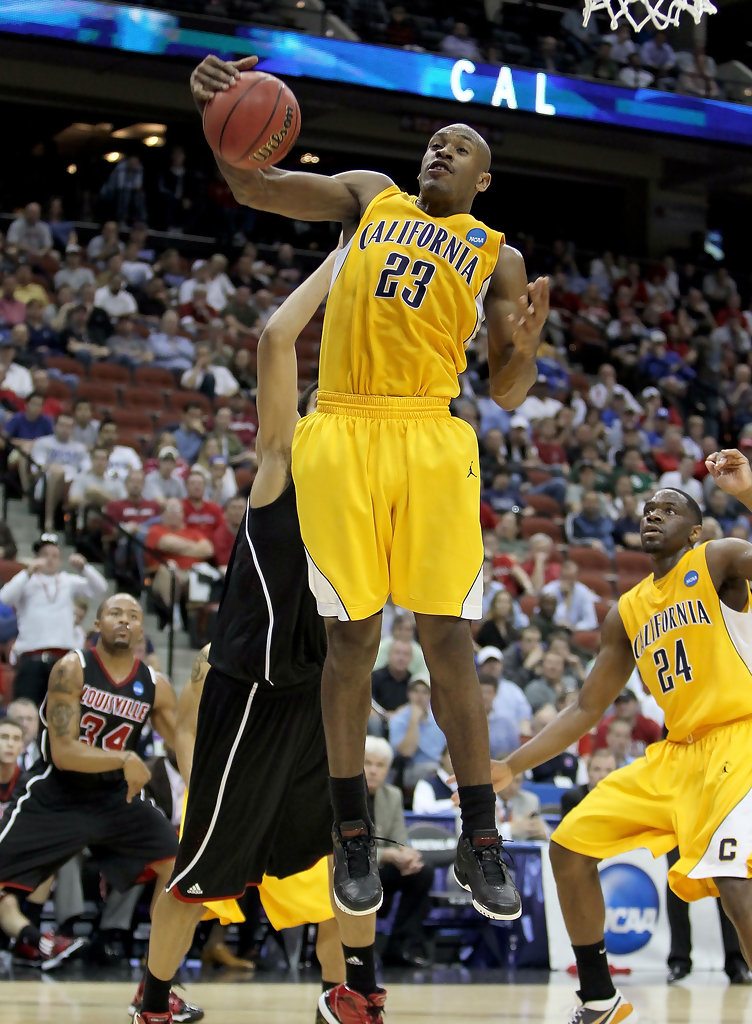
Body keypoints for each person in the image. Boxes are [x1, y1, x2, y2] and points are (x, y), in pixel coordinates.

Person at [190, 52, 548, 925]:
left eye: (459, 145)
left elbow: (503, 391)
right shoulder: (369, 195)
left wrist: (527, 349)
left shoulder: (498, 259)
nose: (440, 149)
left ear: (484, 178)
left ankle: (480, 835)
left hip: (431, 432)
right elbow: (255, 188)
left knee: (449, 639)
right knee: (351, 641)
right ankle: (351, 831)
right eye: (435, 139)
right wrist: (217, 124)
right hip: (343, 425)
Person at [137, 251, 384, 1024]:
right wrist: (345, 256)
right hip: (250, 687)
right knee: (204, 862)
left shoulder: (372, 498)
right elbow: (277, 340)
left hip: (320, 694)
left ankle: (359, 993)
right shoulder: (283, 467)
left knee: (349, 853)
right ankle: (152, 1001)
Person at [482, 462, 752, 1024]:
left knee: (733, 879)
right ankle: (600, 999)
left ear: (696, 529)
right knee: (570, 846)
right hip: (676, 756)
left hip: (738, 740)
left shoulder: (719, 559)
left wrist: (746, 492)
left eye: (671, 508)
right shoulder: (625, 611)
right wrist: (511, 765)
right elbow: (585, 708)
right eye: (649, 508)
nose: (654, 513)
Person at [0, 596, 191, 1015]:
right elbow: (65, 752)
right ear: (97, 622)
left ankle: (155, 988)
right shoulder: (72, 669)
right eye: (115, 613)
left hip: (115, 799)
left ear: (142, 630)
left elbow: (182, 746)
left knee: (178, 870)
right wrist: (124, 758)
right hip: (58, 793)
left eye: (133, 616)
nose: (124, 621)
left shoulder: (155, 685)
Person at [0, 535, 107, 705]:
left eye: (54, 555)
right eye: (45, 554)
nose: (49, 559)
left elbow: (100, 588)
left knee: (61, 713)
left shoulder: (68, 581)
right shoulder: (26, 581)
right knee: (26, 707)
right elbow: (4, 598)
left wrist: (84, 568)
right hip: (31, 657)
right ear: (36, 558)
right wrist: (27, 572)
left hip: (63, 660)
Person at [365, 736, 434, 968]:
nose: (373, 771)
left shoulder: (392, 795)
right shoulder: (343, 794)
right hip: (348, 869)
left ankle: (400, 946)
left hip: (380, 870)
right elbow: (337, 846)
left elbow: (399, 840)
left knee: (421, 872)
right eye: (368, 763)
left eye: (380, 765)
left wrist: (406, 856)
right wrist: (386, 855)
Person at [29, 412, 91, 531]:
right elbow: (39, 466)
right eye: (62, 425)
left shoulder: (80, 448)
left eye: (69, 426)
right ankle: (49, 519)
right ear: (55, 426)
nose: (65, 429)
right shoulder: (43, 443)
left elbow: (87, 469)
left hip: (73, 483)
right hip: (47, 482)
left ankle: (79, 527)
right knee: (58, 472)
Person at [560, 748, 616, 818]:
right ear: (588, 771)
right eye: (597, 769)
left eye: (608, 770)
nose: (602, 775)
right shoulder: (572, 798)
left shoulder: (621, 800)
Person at [7, 697, 41, 770]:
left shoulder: (44, 754)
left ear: (37, 723)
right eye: (19, 718)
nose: (24, 724)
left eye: (29, 719)